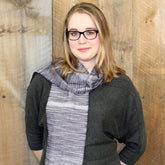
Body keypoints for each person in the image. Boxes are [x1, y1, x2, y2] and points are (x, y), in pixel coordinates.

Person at [25, 2, 147, 165]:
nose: (81, 40)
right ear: (67, 37)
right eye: (74, 33)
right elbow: (34, 138)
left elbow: (137, 143)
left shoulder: (121, 86)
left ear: (102, 35)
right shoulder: (44, 81)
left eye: (90, 32)